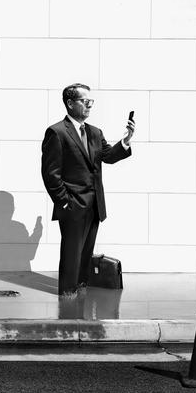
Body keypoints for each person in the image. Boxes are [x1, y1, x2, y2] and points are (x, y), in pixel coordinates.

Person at [41, 83, 135, 297]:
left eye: (90, 102)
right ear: (70, 103)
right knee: (71, 253)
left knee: (85, 253)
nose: (89, 106)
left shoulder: (94, 132)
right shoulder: (56, 133)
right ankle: (67, 293)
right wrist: (64, 201)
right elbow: (50, 173)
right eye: (85, 102)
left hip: (94, 205)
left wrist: (126, 141)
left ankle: (81, 288)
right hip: (72, 205)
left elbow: (109, 156)